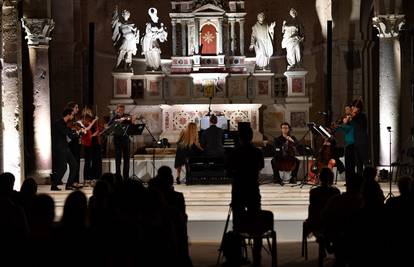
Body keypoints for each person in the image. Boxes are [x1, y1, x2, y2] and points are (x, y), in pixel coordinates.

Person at [226, 125, 268, 267]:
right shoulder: (257, 152)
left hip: (238, 189)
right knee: (255, 220)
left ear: (239, 137)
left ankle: (238, 255)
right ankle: (257, 257)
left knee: (237, 223)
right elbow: (260, 167)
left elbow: (229, 171)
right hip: (252, 189)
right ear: (251, 137)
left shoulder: (234, 152)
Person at [51, 108, 82, 190]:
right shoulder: (59, 123)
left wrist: (77, 133)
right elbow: (67, 133)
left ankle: (68, 185)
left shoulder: (65, 124)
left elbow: (70, 135)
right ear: (68, 115)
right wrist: (76, 133)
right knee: (63, 167)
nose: (73, 116)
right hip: (60, 148)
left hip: (65, 147)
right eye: (72, 114)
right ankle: (54, 185)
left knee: (74, 165)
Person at [107, 104, 133, 180]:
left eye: (122, 110)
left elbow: (131, 124)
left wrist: (130, 119)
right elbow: (109, 125)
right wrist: (117, 120)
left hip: (126, 140)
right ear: (117, 110)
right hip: (117, 140)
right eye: (119, 110)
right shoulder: (114, 117)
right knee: (118, 160)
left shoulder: (127, 116)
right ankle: (118, 176)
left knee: (126, 160)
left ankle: (126, 177)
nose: (121, 111)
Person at [80, 106, 100, 186]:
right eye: (89, 113)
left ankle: (93, 179)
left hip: (95, 143)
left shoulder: (93, 121)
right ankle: (87, 179)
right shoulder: (83, 121)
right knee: (88, 162)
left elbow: (97, 130)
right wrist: (93, 135)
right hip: (88, 143)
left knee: (95, 161)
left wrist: (98, 133)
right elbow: (86, 132)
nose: (90, 115)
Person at [350, 99, 369, 176]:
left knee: (365, 161)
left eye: (354, 107)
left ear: (359, 108)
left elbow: (359, 124)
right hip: (355, 141)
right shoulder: (353, 116)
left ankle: (369, 179)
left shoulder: (362, 116)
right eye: (353, 106)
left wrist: (352, 116)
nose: (353, 108)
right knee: (358, 163)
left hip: (362, 142)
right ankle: (359, 179)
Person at [65, 101, 81, 186]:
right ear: (71, 108)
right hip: (71, 143)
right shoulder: (68, 118)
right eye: (76, 108)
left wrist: (80, 130)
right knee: (73, 163)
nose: (77, 109)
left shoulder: (75, 119)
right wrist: (74, 130)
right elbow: (67, 129)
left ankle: (76, 181)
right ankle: (72, 181)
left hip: (76, 142)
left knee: (77, 161)